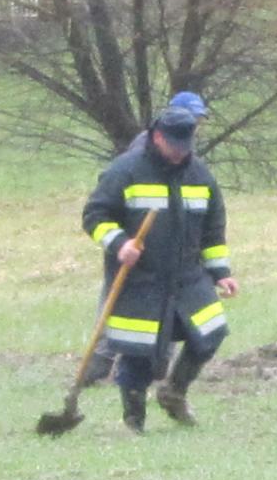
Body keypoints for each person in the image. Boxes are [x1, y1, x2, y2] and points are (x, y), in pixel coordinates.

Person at [80, 99, 237, 432]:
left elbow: (213, 229)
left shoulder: (200, 175)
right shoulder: (126, 170)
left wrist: (221, 272)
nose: (180, 153)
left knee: (211, 331)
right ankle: (133, 421)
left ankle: (174, 392)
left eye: (186, 146)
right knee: (139, 352)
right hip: (141, 279)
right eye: (174, 145)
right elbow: (95, 215)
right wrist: (120, 243)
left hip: (188, 277)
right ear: (157, 136)